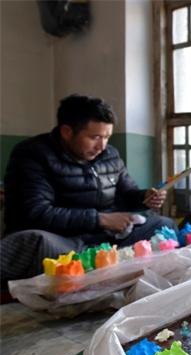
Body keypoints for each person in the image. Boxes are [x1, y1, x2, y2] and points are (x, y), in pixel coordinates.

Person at [1, 94, 176, 281]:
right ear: (67, 132)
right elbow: (36, 212)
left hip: (104, 237)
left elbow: (127, 193)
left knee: (163, 225)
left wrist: (145, 197)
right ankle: (100, 267)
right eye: (95, 137)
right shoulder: (32, 154)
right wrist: (100, 219)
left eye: (107, 137)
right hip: (63, 239)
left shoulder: (109, 154)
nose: (102, 146)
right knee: (36, 243)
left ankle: (100, 265)